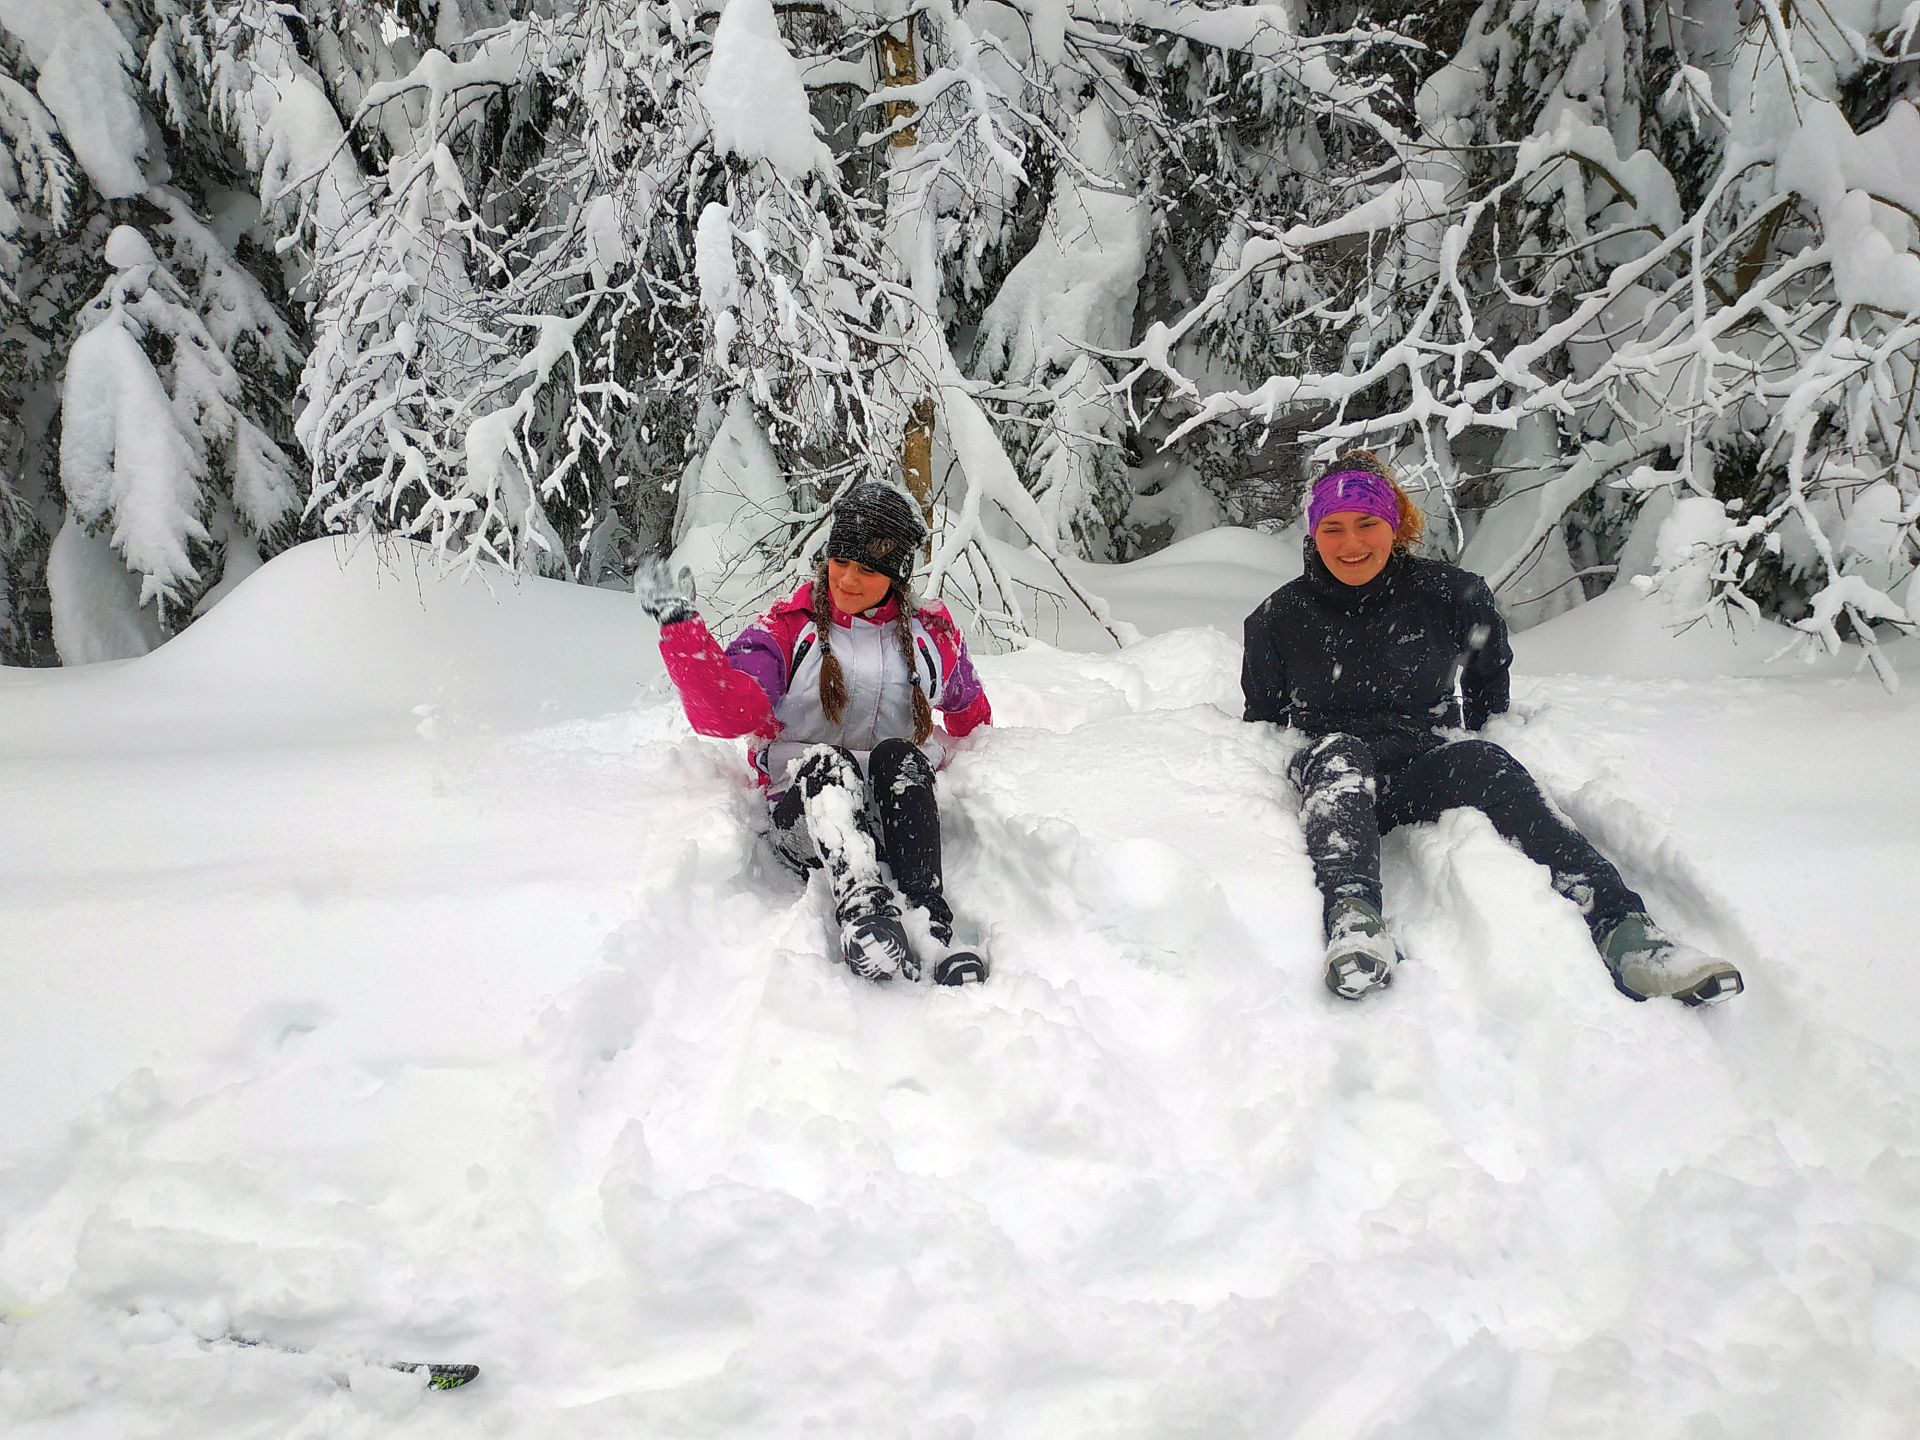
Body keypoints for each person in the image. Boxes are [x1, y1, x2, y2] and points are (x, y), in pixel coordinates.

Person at [1242, 451, 1744, 1006]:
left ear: (1394, 524)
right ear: (1313, 535)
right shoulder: (1278, 617)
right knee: (1340, 753)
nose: (1351, 542)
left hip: (1423, 765)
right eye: (1332, 528)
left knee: (1487, 761)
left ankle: (1627, 931)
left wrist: (1486, 729)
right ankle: (1355, 922)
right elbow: (1264, 725)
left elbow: (1488, 680)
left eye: (1367, 523)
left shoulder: (1450, 595)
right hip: (1335, 778)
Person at [634, 482, 992, 985]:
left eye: (868, 570)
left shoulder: (932, 637)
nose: (848, 579)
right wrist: (680, 630)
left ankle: (932, 928)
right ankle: (864, 915)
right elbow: (729, 712)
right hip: (806, 821)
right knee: (827, 761)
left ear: (897, 574)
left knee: (902, 756)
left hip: (895, 824)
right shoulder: (787, 628)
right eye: (840, 561)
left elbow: (972, 719)